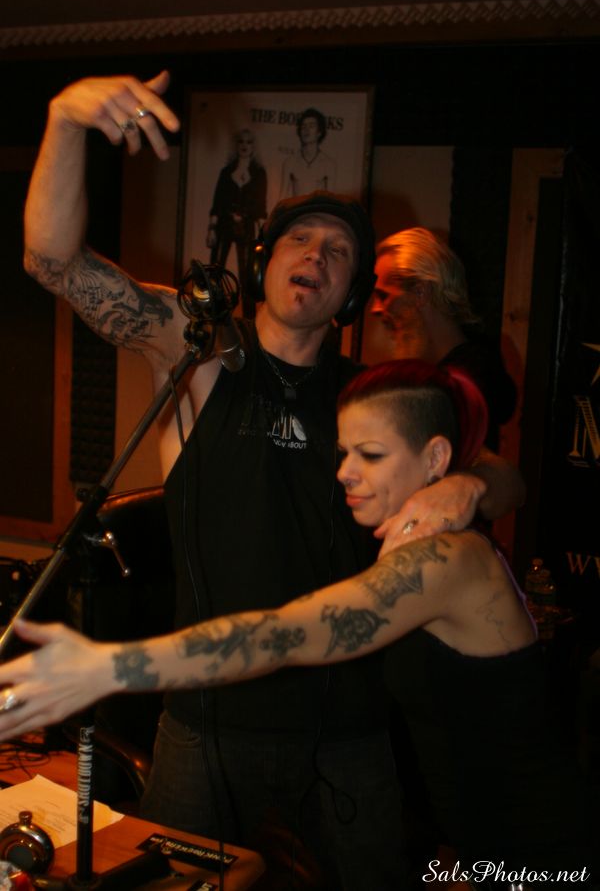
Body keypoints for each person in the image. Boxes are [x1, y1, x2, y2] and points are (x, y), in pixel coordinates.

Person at [18, 70, 524, 889]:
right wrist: (64, 121)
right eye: (300, 240)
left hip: (348, 731)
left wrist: (464, 487)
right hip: (205, 726)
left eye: (338, 252)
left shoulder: (373, 397)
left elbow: (504, 477)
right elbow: (52, 261)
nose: (316, 256)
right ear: (264, 262)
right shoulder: (195, 355)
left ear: (352, 294)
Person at [0, 360, 591, 889]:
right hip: (487, 850)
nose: (345, 473)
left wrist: (107, 666)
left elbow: (283, 634)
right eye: (344, 453)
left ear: (436, 459)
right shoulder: (425, 548)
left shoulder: (448, 560)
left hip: (541, 853)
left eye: (371, 455)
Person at [371, 227, 517, 449]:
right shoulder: (449, 374)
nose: (375, 309)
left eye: (383, 296)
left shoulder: (466, 384)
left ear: (420, 293)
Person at [206, 127, 267, 317]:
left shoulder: (259, 173)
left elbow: (261, 206)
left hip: (247, 228)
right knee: (215, 271)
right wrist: (212, 228)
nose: (244, 146)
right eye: (241, 141)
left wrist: (262, 236)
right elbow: (217, 202)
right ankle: (211, 315)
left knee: (248, 276)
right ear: (236, 145)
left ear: (254, 146)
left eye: (249, 142)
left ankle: (249, 320)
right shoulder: (226, 172)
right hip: (224, 225)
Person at [280, 108, 337, 199]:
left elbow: (330, 200)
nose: (306, 130)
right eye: (303, 126)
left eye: (311, 126)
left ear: (319, 132)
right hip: (297, 207)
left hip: (317, 207)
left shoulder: (329, 164)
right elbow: (282, 198)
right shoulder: (290, 162)